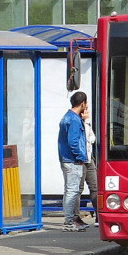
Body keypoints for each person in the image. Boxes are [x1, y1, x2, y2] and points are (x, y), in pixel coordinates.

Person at [58, 91, 89, 232]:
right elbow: (73, 142)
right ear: (82, 103)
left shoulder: (67, 117)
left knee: (69, 190)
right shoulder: (75, 120)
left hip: (66, 159)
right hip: (73, 160)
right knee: (72, 191)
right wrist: (81, 157)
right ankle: (69, 221)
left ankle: (70, 220)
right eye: (86, 104)